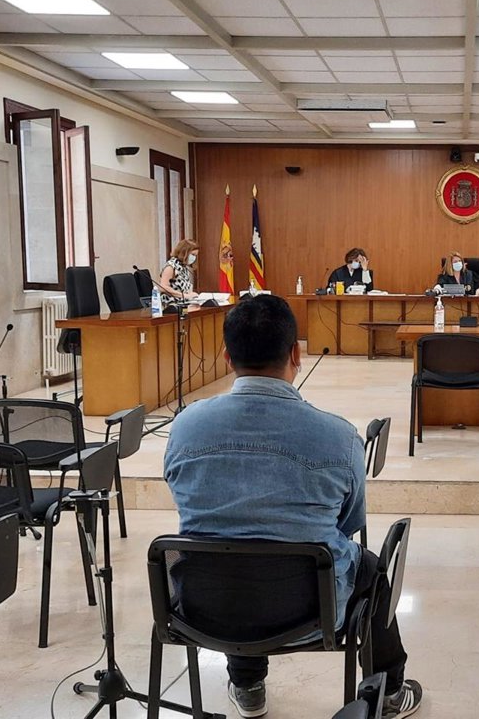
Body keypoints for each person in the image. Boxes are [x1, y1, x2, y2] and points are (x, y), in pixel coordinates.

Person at [165, 295, 422, 719]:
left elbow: (183, 497)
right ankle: (390, 692)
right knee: (371, 567)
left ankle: (247, 684)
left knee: (229, 551)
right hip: (311, 609)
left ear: (227, 357)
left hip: (204, 607)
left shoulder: (185, 427)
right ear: (296, 355)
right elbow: (349, 523)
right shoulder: (339, 437)